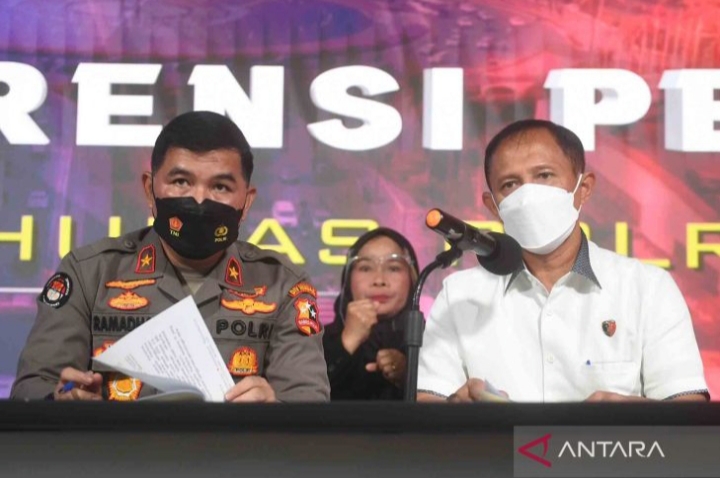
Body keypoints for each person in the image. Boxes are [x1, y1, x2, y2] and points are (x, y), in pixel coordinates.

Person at [11, 111, 329, 402]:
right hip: (115, 447)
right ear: (150, 190)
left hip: (234, 448)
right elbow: (31, 389)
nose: (199, 199)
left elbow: (310, 404)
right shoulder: (88, 274)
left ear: (246, 202)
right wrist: (62, 398)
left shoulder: (283, 285)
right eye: (181, 182)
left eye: (220, 187)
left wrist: (273, 407)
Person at [417, 119, 709, 403]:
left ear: (584, 188)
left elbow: (686, 406)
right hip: (493, 440)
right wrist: (458, 408)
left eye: (544, 176)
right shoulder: (459, 295)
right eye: (509, 184)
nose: (527, 195)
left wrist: (626, 416)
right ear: (493, 206)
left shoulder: (648, 288)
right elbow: (429, 403)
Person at [323, 228, 420, 400]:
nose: (379, 280)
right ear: (348, 279)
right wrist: (347, 341)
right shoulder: (314, 342)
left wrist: (410, 374)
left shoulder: (435, 345)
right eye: (366, 268)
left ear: (413, 279)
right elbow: (299, 400)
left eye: (393, 268)